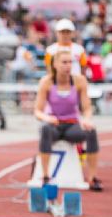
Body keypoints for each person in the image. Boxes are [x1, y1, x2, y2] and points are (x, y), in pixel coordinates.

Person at [34, 50, 103, 191]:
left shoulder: (79, 81)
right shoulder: (46, 82)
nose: (68, 65)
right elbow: (37, 111)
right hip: (54, 125)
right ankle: (46, 176)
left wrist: (87, 120)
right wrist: (48, 118)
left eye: (71, 62)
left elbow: (87, 108)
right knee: (45, 129)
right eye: (64, 62)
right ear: (55, 64)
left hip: (72, 125)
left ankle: (92, 178)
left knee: (91, 131)